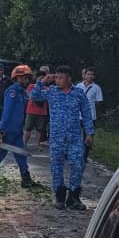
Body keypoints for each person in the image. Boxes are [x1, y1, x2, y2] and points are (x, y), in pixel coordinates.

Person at [30, 66, 94, 211]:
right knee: (56, 167)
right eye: (56, 77)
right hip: (57, 138)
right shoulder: (51, 91)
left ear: (69, 78)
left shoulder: (78, 93)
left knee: (78, 165)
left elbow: (86, 113)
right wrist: (42, 81)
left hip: (75, 137)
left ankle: (73, 197)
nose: (57, 80)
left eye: (61, 77)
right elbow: (33, 97)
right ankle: (60, 196)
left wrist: (89, 133)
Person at [0, 65, 36, 188]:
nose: (28, 80)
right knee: (2, 153)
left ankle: (26, 178)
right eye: (26, 78)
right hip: (9, 130)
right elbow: (7, 111)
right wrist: (1, 128)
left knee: (20, 153)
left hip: (17, 130)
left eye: (28, 78)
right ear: (18, 78)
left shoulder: (22, 93)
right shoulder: (12, 91)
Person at [76, 67, 103, 163]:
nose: (90, 76)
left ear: (94, 76)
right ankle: (73, 154)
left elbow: (99, 102)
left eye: (92, 74)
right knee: (75, 135)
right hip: (78, 115)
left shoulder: (96, 88)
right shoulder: (78, 86)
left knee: (88, 137)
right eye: (88, 74)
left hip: (91, 116)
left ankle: (84, 156)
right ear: (84, 75)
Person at [23, 66, 50, 148]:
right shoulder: (31, 86)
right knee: (28, 129)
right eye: (40, 78)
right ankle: (24, 144)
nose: (41, 79)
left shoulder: (47, 88)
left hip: (42, 112)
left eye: (43, 78)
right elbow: (28, 95)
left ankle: (38, 145)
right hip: (31, 111)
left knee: (39, 130)